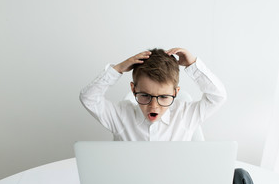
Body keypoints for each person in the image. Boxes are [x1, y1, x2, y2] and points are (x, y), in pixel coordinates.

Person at [79, 47, 226, 141]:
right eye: (145, 96)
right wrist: (118, 69)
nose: (153, 106)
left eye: (163, 97)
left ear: (175, 93)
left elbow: (218, 97)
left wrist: (193, 65)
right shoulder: (122, 116)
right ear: (133, 90)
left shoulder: (185, 116)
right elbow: (88, 98)